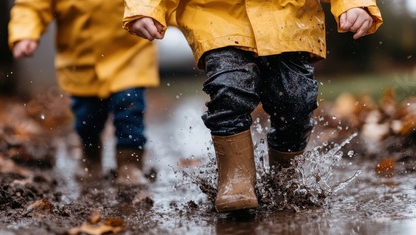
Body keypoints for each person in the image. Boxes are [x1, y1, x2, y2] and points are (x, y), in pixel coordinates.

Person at [123, 0, 383, 211]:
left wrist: (355, 3)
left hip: (290, 23)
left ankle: (286, 175)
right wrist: (144, 8)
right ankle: (235, 180)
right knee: (228, 91)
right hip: (219, 22)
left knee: (297, 102)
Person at [8, 0, 160, 186]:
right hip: (81, 61)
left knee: (129, 108)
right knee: (87, 118)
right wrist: (25, 33)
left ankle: (130, 164)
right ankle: (90, 156)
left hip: (130, 54)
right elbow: (32, 5)